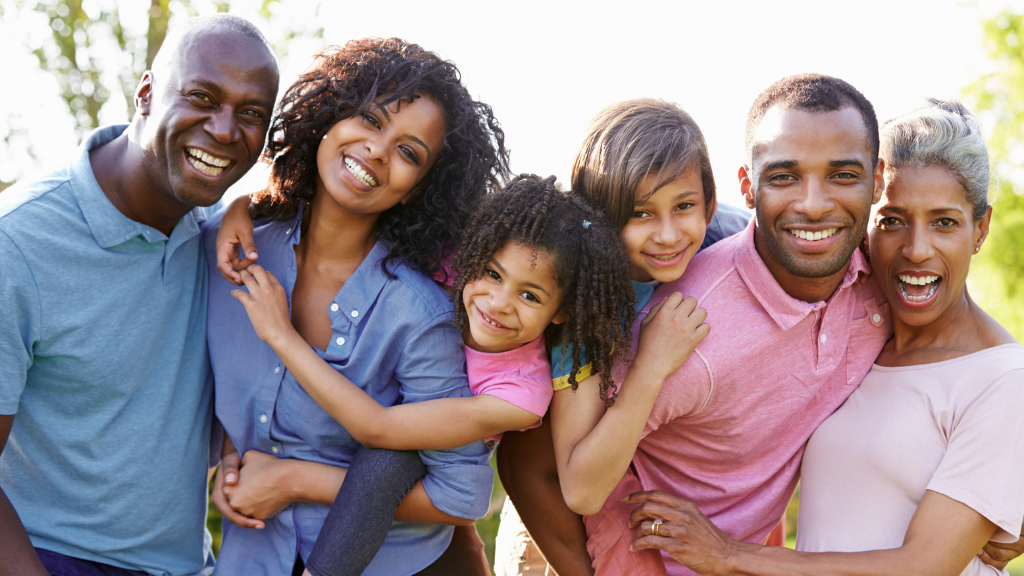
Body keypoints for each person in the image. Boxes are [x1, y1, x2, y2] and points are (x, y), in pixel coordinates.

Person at [624, 99, 1024, 576]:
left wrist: (728, 555)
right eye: (892, 221)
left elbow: (924, 566)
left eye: (945, 223)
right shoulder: (859, 316)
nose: (917, 249)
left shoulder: (1000, 378)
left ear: (979, 229)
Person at [232, 173, 644, 575]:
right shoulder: (448, 271)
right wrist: (240, 207)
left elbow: (378, 429)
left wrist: (281, 335)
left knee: (387, 461)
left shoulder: (520, 393)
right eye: (494, 274)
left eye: (529, 295)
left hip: (412, 454)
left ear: (562, 313)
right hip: (351, 425)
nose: (498, 302)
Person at [203, 38, 508, 576]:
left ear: (419, 189)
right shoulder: (229, 250)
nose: (377, 149)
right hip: (254, 556)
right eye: (369, 118)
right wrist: (235, 457)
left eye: (410, 151)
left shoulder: (417, 313)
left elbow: (461, 495)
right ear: (328, 115)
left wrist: (293, 479)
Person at [0, 15, 279, 576]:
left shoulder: (223, 237)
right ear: (146, 93)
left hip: (185, 563)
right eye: (202, 96)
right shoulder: (19, 243)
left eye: (250, 113)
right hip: (48, 557)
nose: (225, 130)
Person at [495, 98, 751, 576]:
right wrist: (652, 363)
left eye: (685, 207)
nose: (669, 234)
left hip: (652, 512)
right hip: (554, 529)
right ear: (601, 218)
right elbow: (566, 483)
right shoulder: (584, 302)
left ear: (709, 202)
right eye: (640, 214)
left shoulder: (731, 244)